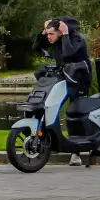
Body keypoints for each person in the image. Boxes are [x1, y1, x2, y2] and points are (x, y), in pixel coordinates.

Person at [33, 17, 91, 166]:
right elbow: (37, 47)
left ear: (60, 32)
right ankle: (49, 142)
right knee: (50, 106)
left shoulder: (77, 39)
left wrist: (65, 35)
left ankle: (76, 153)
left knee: (74, 112)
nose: (49, 37)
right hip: (63, 76)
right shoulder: (56, 38)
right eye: (48, 34)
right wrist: (44, 31)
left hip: (79, 79)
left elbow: (69, 54)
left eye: (51, 34)